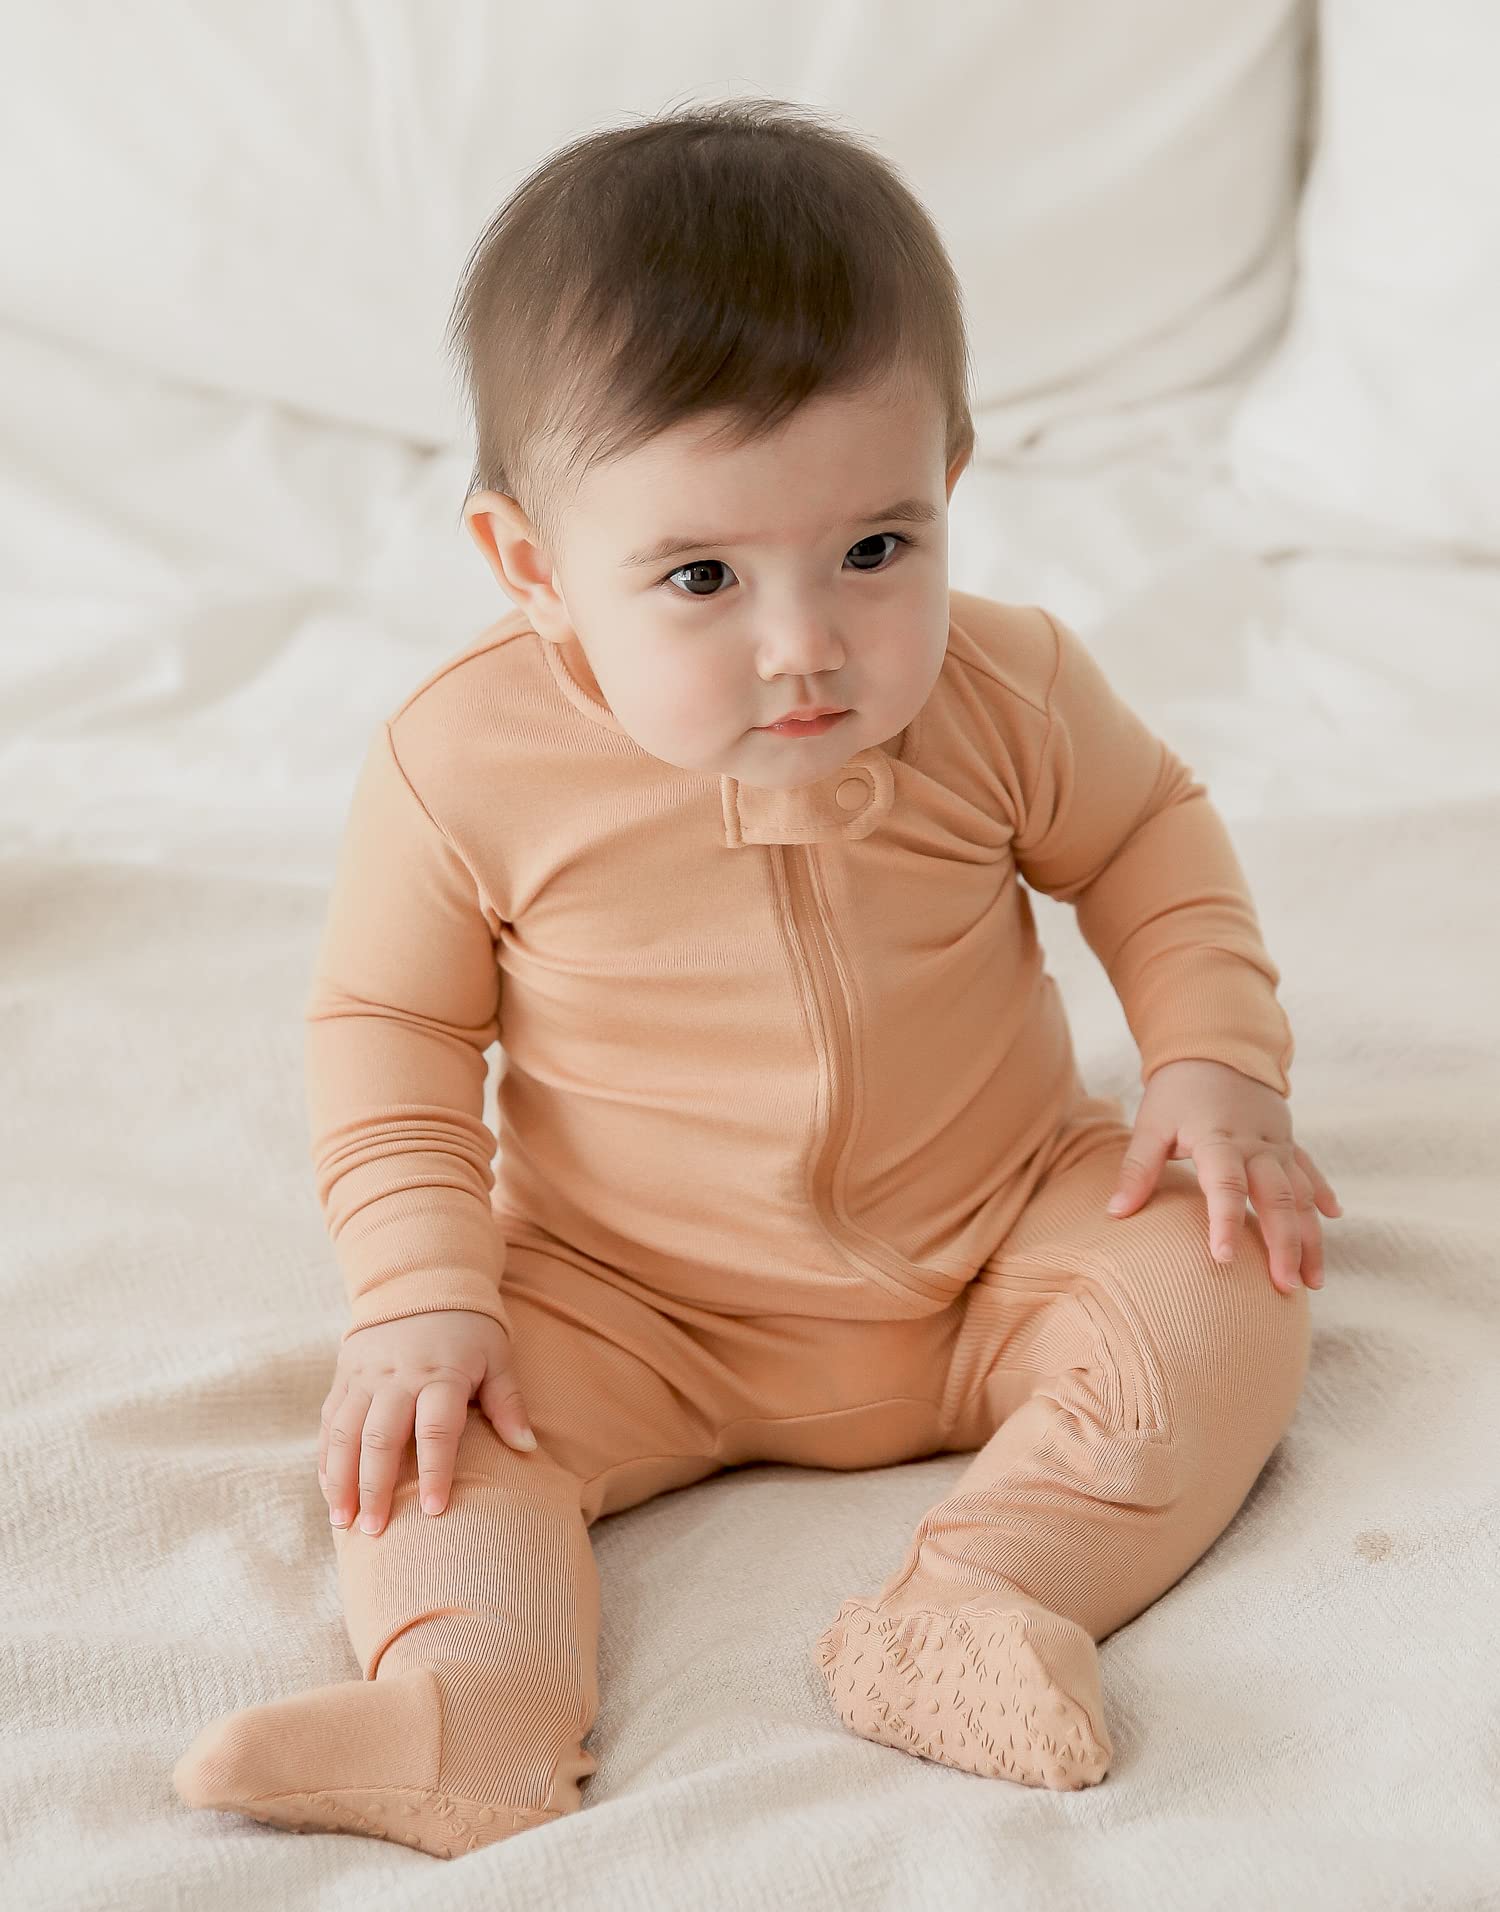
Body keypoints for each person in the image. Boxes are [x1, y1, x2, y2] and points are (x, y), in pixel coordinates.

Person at [172, 96, 1341, 1860]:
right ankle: (474, 1702)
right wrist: (420, 1290)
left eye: (875, 551)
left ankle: (989, 1596)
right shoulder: (462, 765)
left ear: (950, 486)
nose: (806, 648)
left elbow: (1148, 842)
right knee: (425, 1429)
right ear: (534, 567)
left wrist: (1213, 1064)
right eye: (703, 576)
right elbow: (390, 1033)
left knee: (1235, 1272)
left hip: (993, 1243)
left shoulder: (1009, 692)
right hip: (627, 1302)